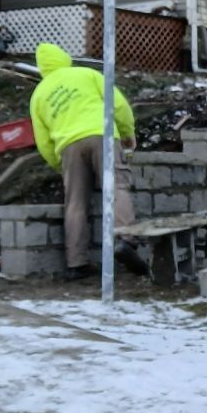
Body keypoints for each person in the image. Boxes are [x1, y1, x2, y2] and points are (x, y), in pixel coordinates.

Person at [30, 43, 147, 281]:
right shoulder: (87, 74)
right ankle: (125, 240)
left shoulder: (38, 95)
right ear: (64, 58)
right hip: (101, 133)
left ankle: (76, 263)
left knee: (75, 202)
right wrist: (127, 133)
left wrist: (58, 164)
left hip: (68, 146)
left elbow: (43, 142)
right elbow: (119, 105)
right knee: (116, 187)